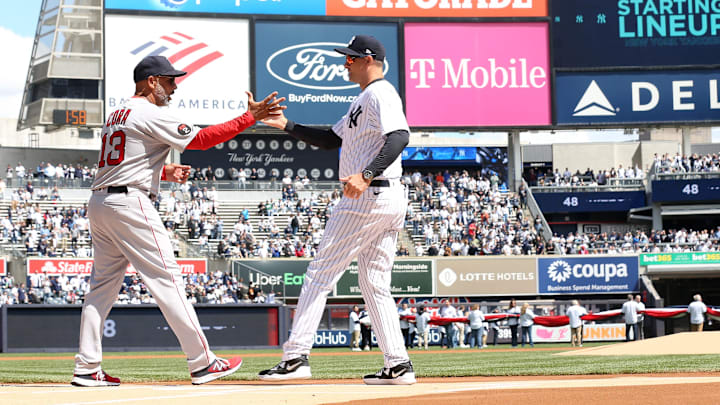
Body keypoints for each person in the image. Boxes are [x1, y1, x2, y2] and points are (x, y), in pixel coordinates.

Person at [72, 55, 285, 387]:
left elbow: (125, 158)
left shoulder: (116, 113)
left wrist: (163, 171)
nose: (175, 85)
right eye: (169, 80)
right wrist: (248, 118)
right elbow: (200, 140)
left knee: (99, 291)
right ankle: (203, 362)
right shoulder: (149, 111)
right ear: (151, 81)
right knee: (168, 280)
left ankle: (86, 368)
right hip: (130, 203)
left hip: (100, 201)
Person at [258, 35, 415, 385]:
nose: (345, 63)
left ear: (368, 59)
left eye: (351, 58)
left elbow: (400, 136)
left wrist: (366, 173)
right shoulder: (363, 99)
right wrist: (288, 125)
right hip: (386, 198)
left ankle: (296, 356)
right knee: (374, 283)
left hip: (368, 195)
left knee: (319, 274)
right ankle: (398, 365)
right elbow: (331, 138)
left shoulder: (380, 92)